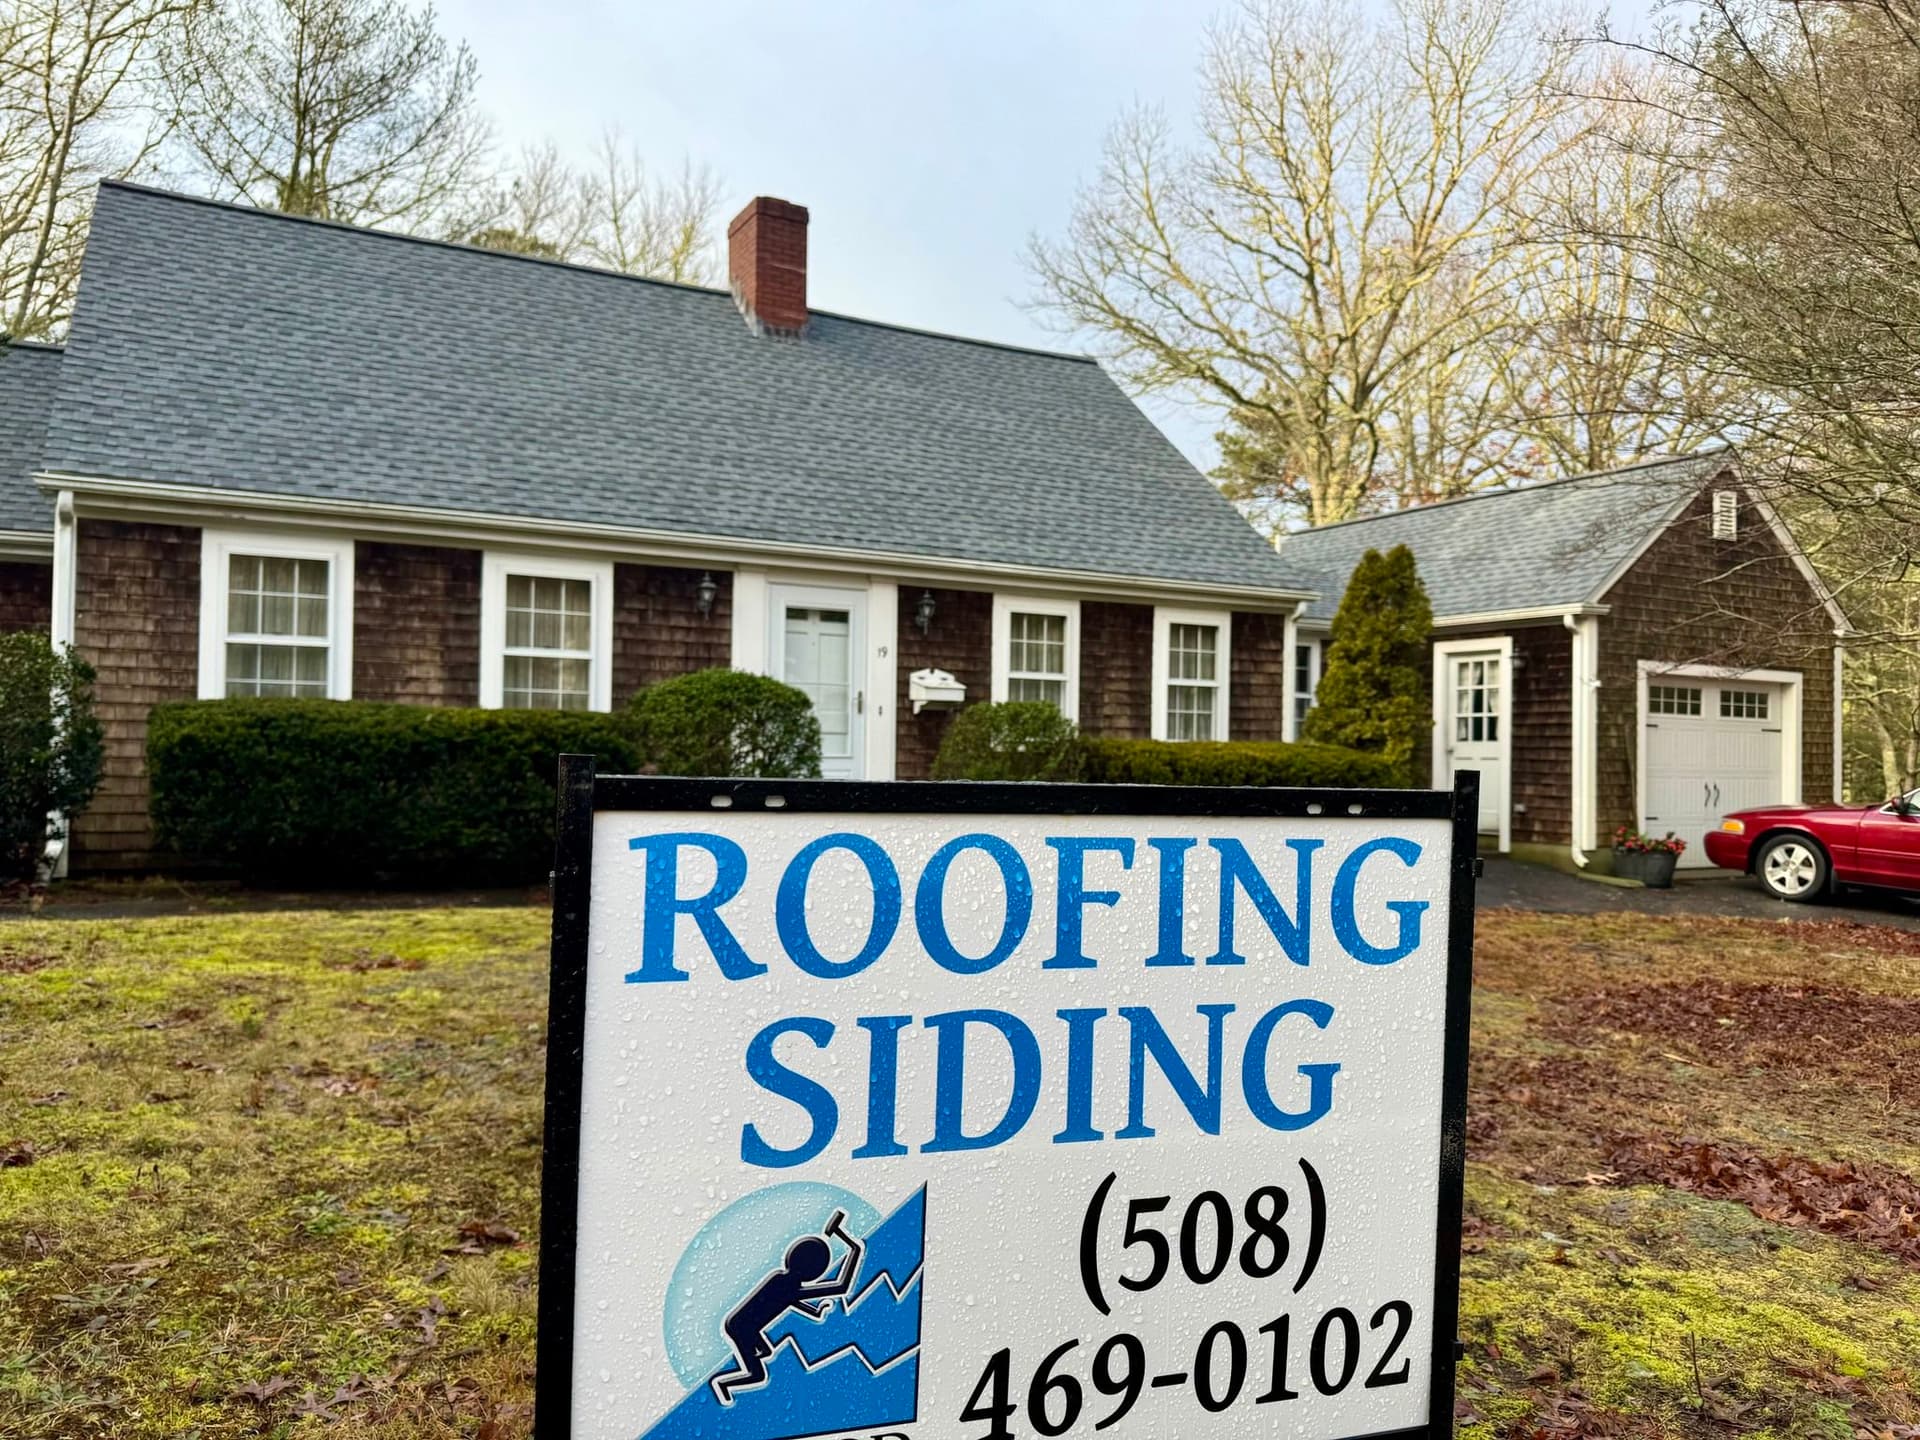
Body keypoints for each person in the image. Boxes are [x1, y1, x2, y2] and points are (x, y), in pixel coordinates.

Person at [711, 1210, 865, 1406]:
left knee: (766, 1352)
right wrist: (854, 1248)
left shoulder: (780, 1279)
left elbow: (786, 1303)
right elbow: (841, 1287)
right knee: (757, 1375)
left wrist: (816, 1312)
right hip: (742, 1329)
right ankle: (723, 1384)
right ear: (814, 1272)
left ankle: (747, 1360)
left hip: (744, 1326)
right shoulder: (791, 1289)